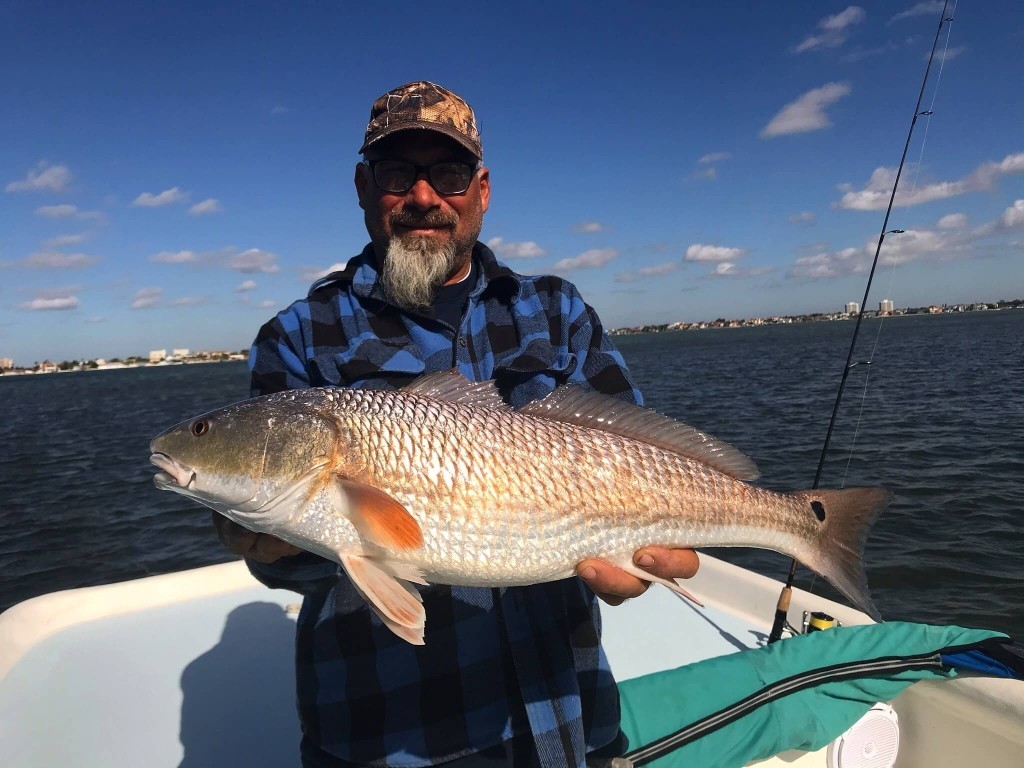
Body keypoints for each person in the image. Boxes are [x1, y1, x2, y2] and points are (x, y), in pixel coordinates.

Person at [213, 81, 700, 768]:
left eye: (447, 172)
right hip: (386, 739)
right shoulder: (299, 336)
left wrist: (649, 557)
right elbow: (294, 568)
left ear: (482, 188)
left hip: (568, 722)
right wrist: (271, 544)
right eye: (395, 174)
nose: (422, 197)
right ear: (362, 187)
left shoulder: (558, 311)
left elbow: (640, 461)